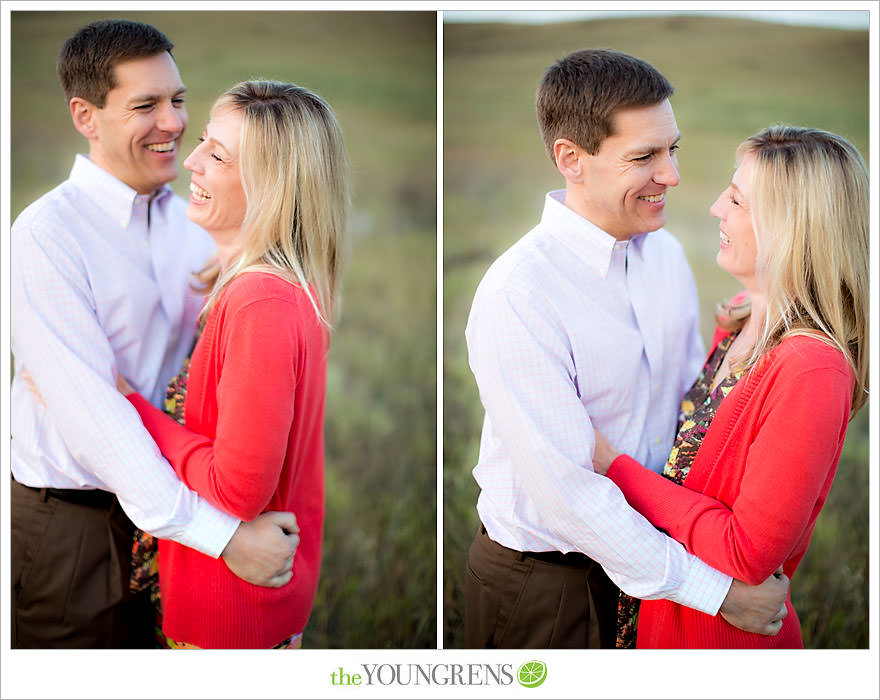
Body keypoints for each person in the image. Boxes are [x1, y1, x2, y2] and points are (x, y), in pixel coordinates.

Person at [464, 48, 789, 649]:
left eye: (673, 149)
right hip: (550, 585)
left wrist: (741, 333)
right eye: (644, 157)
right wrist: (715, 591)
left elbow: (686, 409)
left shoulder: (663, 254)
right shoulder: (519, 295)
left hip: (660, 564)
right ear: (571, 159)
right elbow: (568, 496)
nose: (671, 175)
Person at [10, 19, 299, 649]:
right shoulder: (45, 237)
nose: (172, 122)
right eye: (145, 105)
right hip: (76, 526)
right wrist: (224, 539)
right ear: (86, 116)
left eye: (177, 100)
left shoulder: (198, 221)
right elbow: (96, 421)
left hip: (181, 509)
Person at [590, 125, 869, 648]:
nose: (717, 207)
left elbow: (748, 553)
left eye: (737, 201)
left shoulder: (811, 368)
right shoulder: (745, 326)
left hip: (720, 641)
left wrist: (617, 470)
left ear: (791, 228)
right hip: (670, 615)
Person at [116, 79, 349, 649]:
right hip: (235, 599)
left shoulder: (260, 302)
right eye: (202, 142)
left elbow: (238, 491)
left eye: (216, 155)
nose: (190, 159)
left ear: (270, 186)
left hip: (228, 614)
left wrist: (132, 410)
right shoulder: (258, 286)